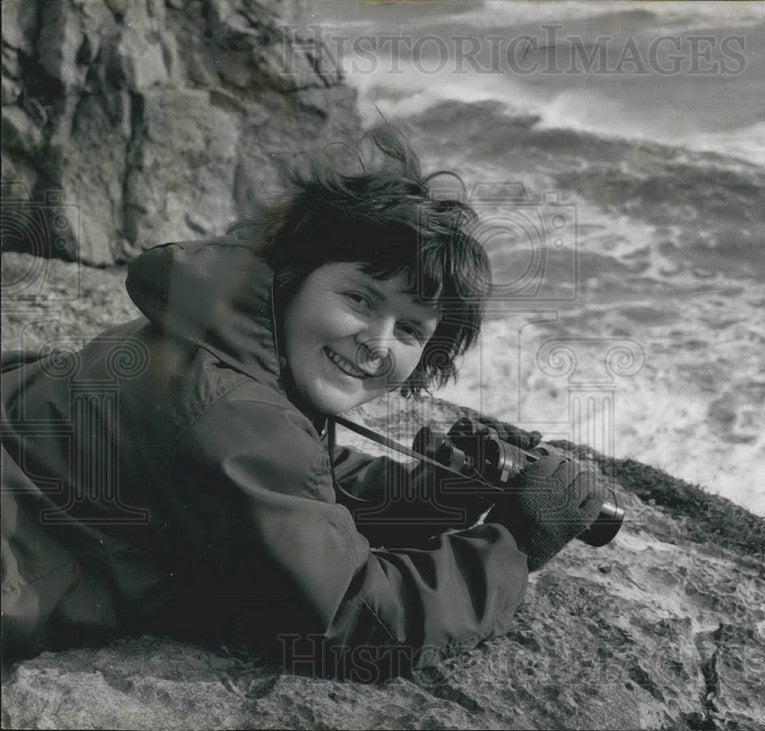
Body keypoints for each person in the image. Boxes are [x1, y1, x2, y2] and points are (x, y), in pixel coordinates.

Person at [1, 127, 605, 680]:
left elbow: (294, 485)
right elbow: (351, 621)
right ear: (292, 275)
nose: (376, 343)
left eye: (410, 331)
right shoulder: (232, 414)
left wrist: (432, 496)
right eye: (362, 300)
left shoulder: (218, 343)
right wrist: (517, 543)